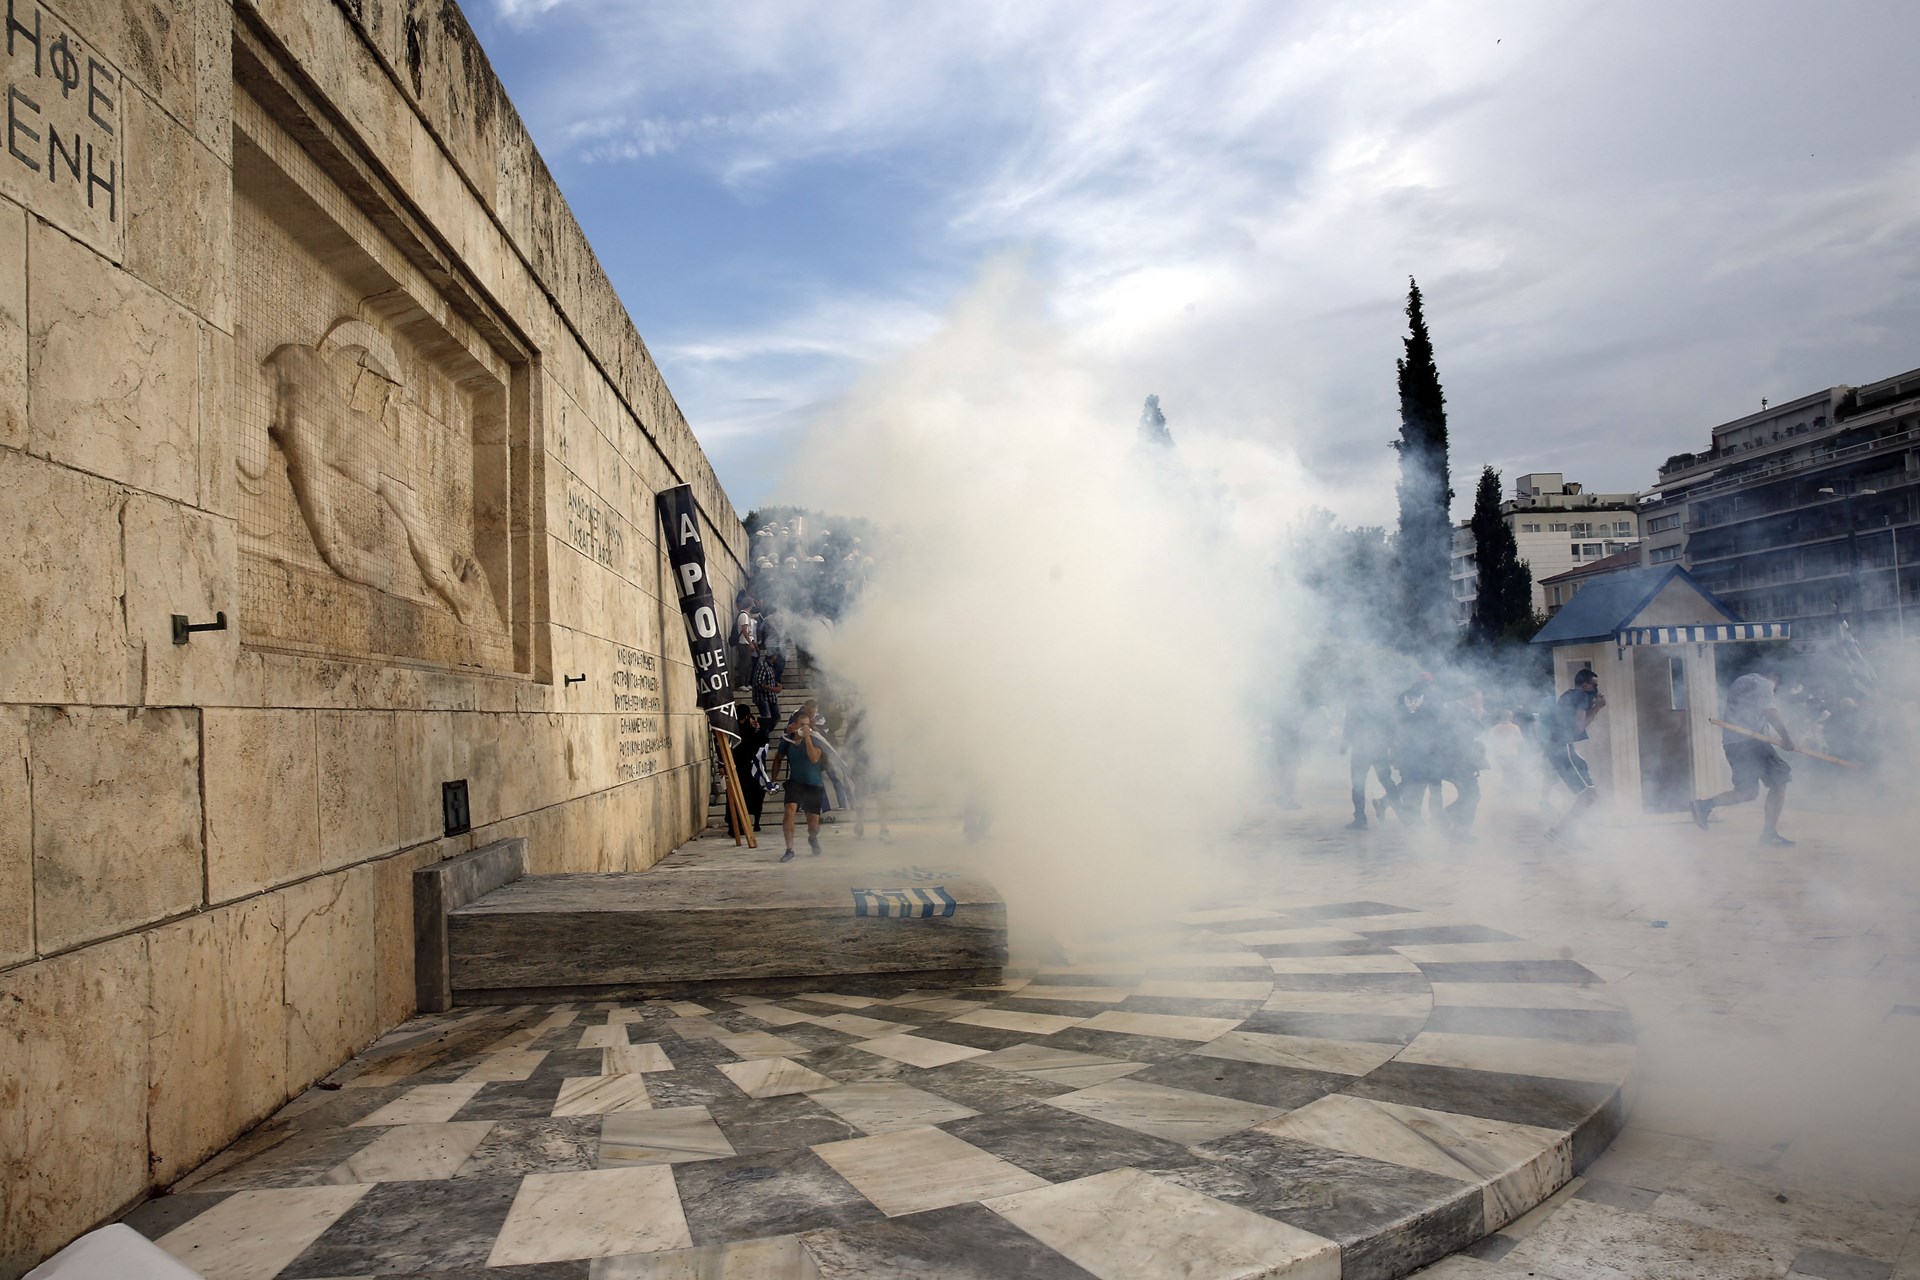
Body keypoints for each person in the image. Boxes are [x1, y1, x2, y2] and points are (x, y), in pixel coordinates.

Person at [1691, 665, 1795, 845]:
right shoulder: (1764, 683)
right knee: (1780, 780)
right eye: (1778, 685)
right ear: (1774, 676)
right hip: (1752, 743)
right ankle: (1769, 835)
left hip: (1734, 744)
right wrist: (1786, 738)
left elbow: (1751, 715)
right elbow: (1770, 712)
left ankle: (1703, 805)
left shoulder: (1743, 680)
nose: (1776, 690)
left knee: (1747, 792)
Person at [1542, 668, 1605, 848]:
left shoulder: (1567, 695)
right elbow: (1580, 726)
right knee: (1589, 795)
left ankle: (1565, 834)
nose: (1596, 688)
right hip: (1564, 748)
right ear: (1585, 685)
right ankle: (1559, 833)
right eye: (1594, 685)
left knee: (1585, 795)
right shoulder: (1581, 697)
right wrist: (1597, 707)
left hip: (1559, 748)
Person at [772, 708, 827, 861]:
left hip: (814, 785)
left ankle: (812, 838)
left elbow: (814, 758)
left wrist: (807, 737)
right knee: (789, 810)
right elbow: (778, 759)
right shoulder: (788, 740)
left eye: (807, 725)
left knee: (813, 826)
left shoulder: (816, 740)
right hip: (795, 782)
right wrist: (773, 780)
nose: (804, 728)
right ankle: (789, 849)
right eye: (801, 725)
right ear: (795, 725)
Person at [1341, 687, 1397, 830]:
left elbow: (1349, 724)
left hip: (1362, 750)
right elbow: (1391, 726)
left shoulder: (1354, 702)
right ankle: (1408, 818)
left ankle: (1360, 819)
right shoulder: (1382, 701)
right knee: (1387, 781)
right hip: (1379, 749)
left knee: (1358, 785)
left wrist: (1344, 745)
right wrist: (1389, 746)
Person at [731, 704, 771, 833]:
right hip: (741, 767)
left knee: (756, 796)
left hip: (753, 768)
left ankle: (755, 822)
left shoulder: (752, 727)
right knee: (742, 795)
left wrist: (758, 729)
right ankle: (739, 824)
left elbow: (763, 742)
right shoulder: (735, 728)